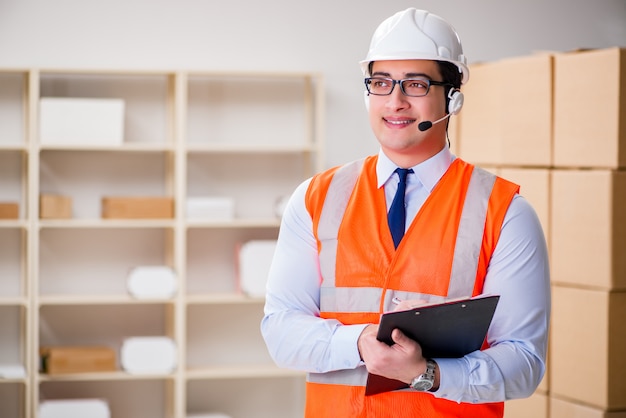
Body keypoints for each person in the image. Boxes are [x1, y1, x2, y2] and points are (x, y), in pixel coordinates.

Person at [261, 7, 550, 418]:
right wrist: (358, 342)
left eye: (415, 84)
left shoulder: (505, 212)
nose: (395, 102)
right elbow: (281, 333)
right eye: (381, 83)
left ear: (452, 97)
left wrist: (427, 373)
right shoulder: (315, 198)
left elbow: (524, 364)